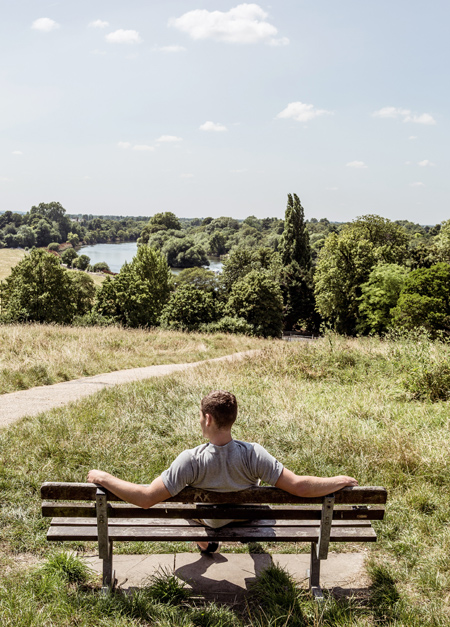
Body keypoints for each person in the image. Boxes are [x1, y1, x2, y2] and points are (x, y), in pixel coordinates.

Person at [87, 390, 358, 553]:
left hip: (209, 522)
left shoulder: (190, 459)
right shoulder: (254, 453)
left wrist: (104, 478)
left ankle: (206, 544)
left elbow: (146, 498)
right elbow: (299, 486)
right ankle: (213, 539)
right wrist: (339, 480)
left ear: (207, 418)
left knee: (188, 510)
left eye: (200, 416)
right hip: (245, 522)